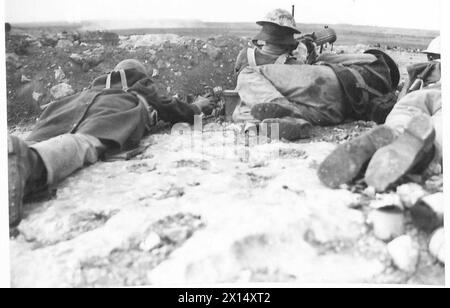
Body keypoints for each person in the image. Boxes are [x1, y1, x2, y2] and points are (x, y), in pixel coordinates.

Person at [8, 59, 215, 227]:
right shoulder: (139, 82)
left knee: (37, 141)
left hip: (66, 108)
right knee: (84, 143)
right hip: (113, 108)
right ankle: (27, 160)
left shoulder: (96, 84)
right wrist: (197, 107)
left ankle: (19, 161)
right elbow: (169, 107)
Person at [317, 37, 443, 263]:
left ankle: (393, 137)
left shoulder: (423, 78)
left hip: (423, 94)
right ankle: (424, 152)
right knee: (439, 129)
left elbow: (402, 102)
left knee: (402, 117)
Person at [232, 9, 399, 141]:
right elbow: (368, 58)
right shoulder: (296, 62)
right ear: (289, 36)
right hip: (335, 108)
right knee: (246, 109)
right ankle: (294, 122)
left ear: (264, 34)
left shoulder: (248, 59)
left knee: (244, 99)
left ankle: (286, 115)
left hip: (321, 95)